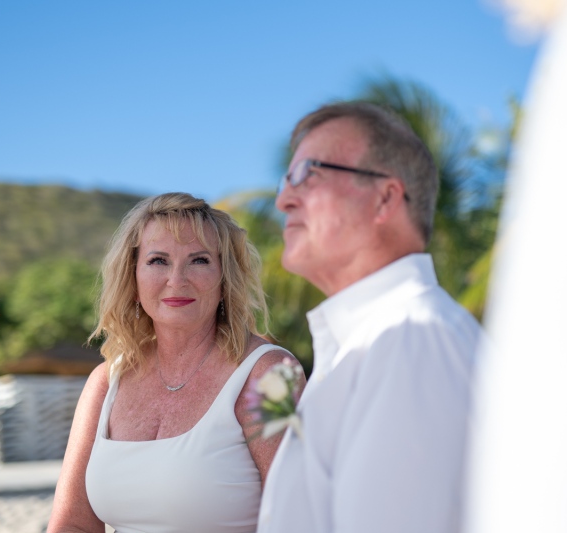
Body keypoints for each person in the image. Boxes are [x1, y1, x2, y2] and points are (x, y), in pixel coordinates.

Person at [258, 102, 482, 533]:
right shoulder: (377, 342)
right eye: (287, 178)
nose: (283, 199)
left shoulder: (411, 339)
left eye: (310, 173)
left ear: (384, 198)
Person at [48, 192, 304, 533]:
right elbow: (74, 524)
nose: (177, 279)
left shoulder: (270, 376)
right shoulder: (106, 381)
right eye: (158, 261)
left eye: (199, 260)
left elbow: (299, 516)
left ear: (225, 278)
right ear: (133, 278)